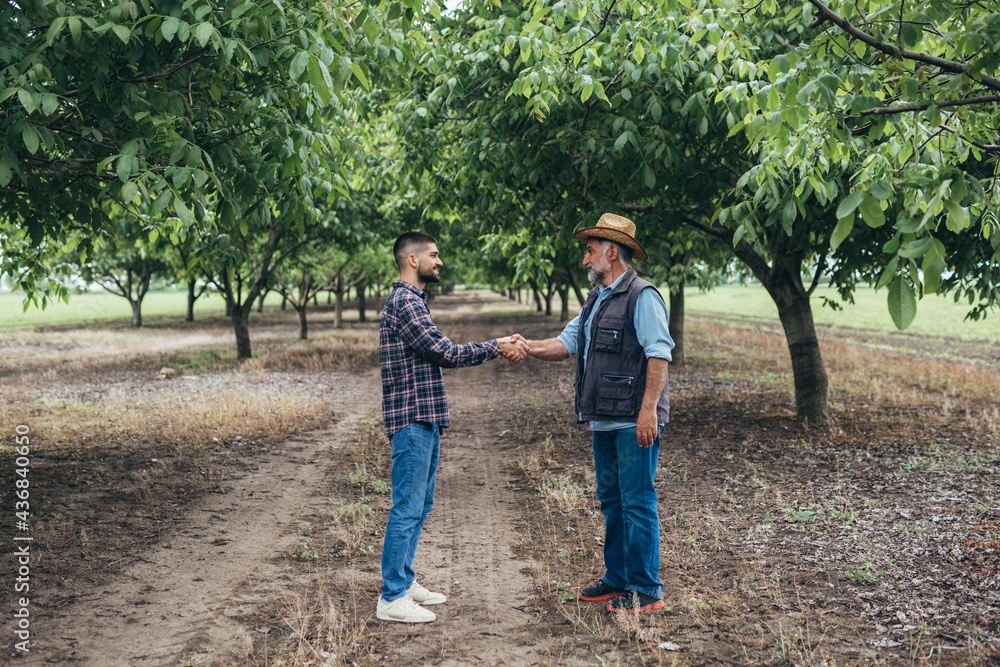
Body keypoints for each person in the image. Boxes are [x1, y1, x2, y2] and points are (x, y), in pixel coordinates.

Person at [515, 213, 674, 614]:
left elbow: (659, 355)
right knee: (612, 502)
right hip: (603, 420)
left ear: (612, 252)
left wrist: (648, 412)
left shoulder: (643, 296)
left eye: (590, 251)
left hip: (632, 422)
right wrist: (526, 346)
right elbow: (566, 343)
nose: (585, 260)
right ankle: (617, 578)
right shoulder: (596, 299)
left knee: (637, 502)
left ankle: (646, 588)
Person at [377, 231, 529, 623]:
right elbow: (444, 352)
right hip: (411, 419)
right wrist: (496, 345)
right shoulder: (405, 302)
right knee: (407, 507)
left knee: (420, 504)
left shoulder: (413, 302)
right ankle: (391, 597)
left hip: (423, 418)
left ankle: (404, 581)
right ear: (412, 260)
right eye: (433, 254)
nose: (439, 261)